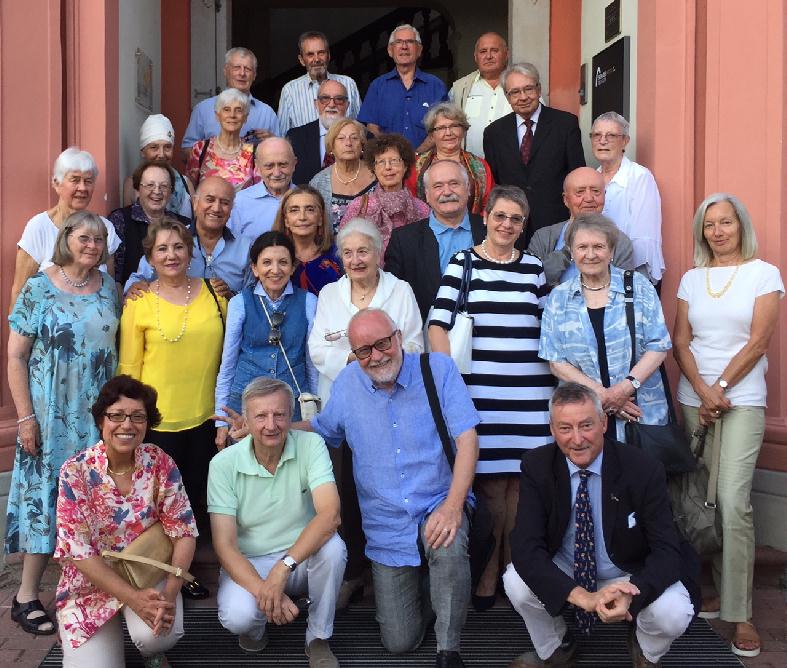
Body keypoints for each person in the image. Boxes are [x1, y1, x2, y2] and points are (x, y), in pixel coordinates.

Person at [297, 308, 479, 668]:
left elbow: (468, 439)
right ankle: (445, 591)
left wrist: (454, 505)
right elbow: (323, 429)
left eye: (382, 343)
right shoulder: (349, 383)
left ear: (398, 337)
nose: (376, 356)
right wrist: (270, 430)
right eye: (364, 350)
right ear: (355, 354)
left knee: (448, 544)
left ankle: (449, 650)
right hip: (386, 525)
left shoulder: (438, 370)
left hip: (438, 502)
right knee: (399, 642)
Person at [502, 382, 695, 668]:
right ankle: (556, 648)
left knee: (674, 612)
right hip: (568, 567)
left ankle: (646, 650)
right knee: (515, 581)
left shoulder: (643, 467)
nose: (577, 439)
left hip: (628, 573)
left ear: (604, 423)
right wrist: (584, 598)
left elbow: (667, 549)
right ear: (552, 430)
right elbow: (525, 547)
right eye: (565, 428)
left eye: (586, 425)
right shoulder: (537, 466)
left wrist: (633, 593)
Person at [429, 185, 553, 610]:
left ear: (523, 225)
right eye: (500, 216)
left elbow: (546, 330)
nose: (506, 225)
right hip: (479, 393)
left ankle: (515, 572)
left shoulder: (534, 268)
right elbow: (437, 327)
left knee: (524, 485)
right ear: (486, 217)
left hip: (531, 393)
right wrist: (450, 387)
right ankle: (487, 572)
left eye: (516, 219)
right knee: (493, 488)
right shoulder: (462, 263)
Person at [673, 193, 783, 658]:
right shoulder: (692, 279)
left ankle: (741, 612)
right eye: (709, 224)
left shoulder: (764, 273)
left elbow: (759, 341)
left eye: (726, 223)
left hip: (741, 400)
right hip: (695, 399)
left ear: (741, 227)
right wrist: (701, 389)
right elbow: (681, 340)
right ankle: (718, 590)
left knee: (735, 500)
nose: (718, 231)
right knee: (704, 499)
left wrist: (719, 387)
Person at [6, 211, 119, 636]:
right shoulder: (39, 286)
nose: (92, 245)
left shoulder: (111, 287)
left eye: (99, 239)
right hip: (48, 415)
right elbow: (16, 355)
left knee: (92, 500)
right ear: (66, 238)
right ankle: (25, 596)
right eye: (83, 237)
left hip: (96, 416)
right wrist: (25, 417)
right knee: (44, 498)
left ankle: (88, 587)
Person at [307, 219, 423, 609]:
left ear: (378, 254)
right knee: (346, 493)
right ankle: (355, 573)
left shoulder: (400, 291)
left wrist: (356, 353)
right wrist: (371, 360)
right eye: (349, 252)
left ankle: (397, 574)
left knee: (390, 488)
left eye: (364, 251)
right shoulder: (329, 295)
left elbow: (414, 345)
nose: (356, 259)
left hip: (396, 408)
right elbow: (318, 351)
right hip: (345, 411)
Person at [55, 375, 197, 668]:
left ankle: (153, 652)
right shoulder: (75, 471)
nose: (127, 424)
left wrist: (169, 595)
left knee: (155, 636)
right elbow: (78, 551)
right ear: (101, 422)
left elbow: (183, 531)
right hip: (91, 583)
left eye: (137, 416)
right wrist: (133, 599)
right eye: (116, 416)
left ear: (147, 423)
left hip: (147, 572)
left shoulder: (160, 462)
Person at [209, 377, 345, 666]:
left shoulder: (311, 445)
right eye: (260, 416)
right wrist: (265, 590)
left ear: (291, 415)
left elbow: (330, 514)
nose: (271, 425)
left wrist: (281, 570)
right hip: (251, 560)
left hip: (299, 556)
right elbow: (224, 546)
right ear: (246, 419)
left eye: (279, 414)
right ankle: (261, 622)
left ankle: (318, 637)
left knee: (333, 548)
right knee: (237, 618)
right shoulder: (223, 464)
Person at [118, 219, 227, 556]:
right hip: (158, 422)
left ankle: (191, 570)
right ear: (149, 258)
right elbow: (129, 369)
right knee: (160, 504)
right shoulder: (138, 302)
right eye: (162, 248)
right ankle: (164, 573)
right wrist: (130, 419)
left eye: (178, 247)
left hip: (207, 418)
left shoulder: (215, 294)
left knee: (198, 500)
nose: (171, 255)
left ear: (190, 252)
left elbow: (230, 356)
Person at [539, 213, 671, 443]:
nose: (590, 254)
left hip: (638, 414)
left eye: (599, 246)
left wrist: (623, 390)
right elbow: (556, 361)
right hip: (584, 420)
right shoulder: (559, 297)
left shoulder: (638, 286)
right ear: (571, 252)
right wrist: (602, 396)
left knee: (639, 476)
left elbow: (658, 345)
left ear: (611, 251)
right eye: (582, 247)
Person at [387, 159, 524, 321]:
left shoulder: (495, 230)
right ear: (427, 195)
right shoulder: (403, 240)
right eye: (438, 186)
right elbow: (395, 300)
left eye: (454, 183)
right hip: (427, 335)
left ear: (468, 189)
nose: (447, 192)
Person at [214, 230, 318, 438]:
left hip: (292, 404)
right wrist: (220, 421)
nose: (275, 270)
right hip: (245, 406)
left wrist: (315, 407)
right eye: (267, 262)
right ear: (255, 268)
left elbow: (312, 363)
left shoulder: (308, 301)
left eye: (283, 262)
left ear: (293, 267)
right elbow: (228, 364)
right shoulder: (239, 303)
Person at [484, 63, 585, 240]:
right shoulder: (494, 133)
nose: (523, 97)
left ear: (538, 90)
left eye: (528, 89)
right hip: (511, 227)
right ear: (507, 97)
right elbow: (496, 184)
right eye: (515, 92)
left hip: (556, 224)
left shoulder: (565, 124)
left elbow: (577, 176)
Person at [10, 147, 121, 309]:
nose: (82, 188)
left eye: (88, 181)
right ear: (57, 183)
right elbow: (20, 291)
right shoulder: (39, 227)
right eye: (75, 180)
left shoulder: (105, 228)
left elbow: (110, 291)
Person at [126, 176, 250, 299]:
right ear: (195, 203)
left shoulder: (245, 248)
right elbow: (139, 279)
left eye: (224, 203)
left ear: (231, 209)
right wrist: (134, 287)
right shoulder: (172, 238)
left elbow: (254, 296)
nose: (216, 208)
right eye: (209, 200)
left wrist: (232, 296)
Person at [527, 167, 638, 288]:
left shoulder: (620, 242)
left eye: (596, 191)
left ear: (604, 196)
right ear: (566, 199)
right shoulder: (543, 238)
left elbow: (623, 289)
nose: (589, 198)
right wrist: (568, 250)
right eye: (580, 192)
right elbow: (532, 282)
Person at [592, 112, 665, 285]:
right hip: (595, 273)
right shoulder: (591, 178)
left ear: (625, 141)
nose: (602, 141)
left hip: (632, 276)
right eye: (597, 135)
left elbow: (643, 238)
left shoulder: (639, 177)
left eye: (611, 135)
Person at [357, 24, 448, 152]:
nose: (404, 47)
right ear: (390, 50)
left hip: (428, 163)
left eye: (410, 42)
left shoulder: (436, 85)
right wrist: (392, 156)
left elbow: (443, 126)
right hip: (388, 164)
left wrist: (417, 155)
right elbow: (372, 128)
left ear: (419, 50)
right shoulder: (377, 86)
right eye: (398, 42)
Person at [340, 133, 429, 259]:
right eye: (381, 162)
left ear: (405, 166)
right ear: (374, 169)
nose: (388, 167)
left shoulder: (421, 209)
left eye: (394, 161)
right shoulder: (360, 205)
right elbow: (343, 243)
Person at [181, 47, 278, 157]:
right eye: (236, 68)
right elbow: (185, 153)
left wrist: (273, 142)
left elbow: (282, 156)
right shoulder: (203, 109)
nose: (242, 73)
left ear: (254, 75)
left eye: (247, 69)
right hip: (213, 173)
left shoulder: (267, 113)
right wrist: (216, 157)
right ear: (226, 71)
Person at [110, 160, 191, 286]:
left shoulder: (184, 225)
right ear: (138, 188)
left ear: (171, 191)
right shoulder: (120, 220)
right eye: (150, 185)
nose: (157, 191)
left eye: (163, 186)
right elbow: (115, 277)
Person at [405, 102, 495, 214]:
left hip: (472, 228)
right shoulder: (417, 166)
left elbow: (489, 204)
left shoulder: (480, 166)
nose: (448, 133)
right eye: (441, 128)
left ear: (463, 131)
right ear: (432, 135)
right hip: (426, 228)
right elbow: (410, 202)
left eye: (454, 126)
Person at [277, 30, 361, 136]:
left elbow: (359, 128)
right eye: (310, 54)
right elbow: (283, 135)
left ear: (328, 56)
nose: (316, 59)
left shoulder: (348, 84)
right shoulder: (289, 90)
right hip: (305, 152)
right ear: (302, 60)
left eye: (321, 53)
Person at [449, 32, 512, 157]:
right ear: (476, 57)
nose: (488, 56)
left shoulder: (523, 85)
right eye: (483, 51)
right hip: (471, 168)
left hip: (511, 168)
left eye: (494, 50)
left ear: (506, 54)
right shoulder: (460, 88)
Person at [272, 185, 342, 295]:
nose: (302, 217)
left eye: (310, 210)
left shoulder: (338, 255)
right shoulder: (271, 257)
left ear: (320, 219)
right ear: (286, 220)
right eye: (294, 210)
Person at [122, 114, 195, 219]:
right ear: (143, 151)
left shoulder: (186, 184)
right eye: (154, 147)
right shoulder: (132, 184)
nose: (161, 154)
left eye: (167, 147)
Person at [309, 118, 376, 232]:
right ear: (331, 147)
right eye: (341, 138)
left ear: (362, 145)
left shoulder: (377, 173)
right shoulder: (318, 182)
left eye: (354, 138)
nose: (348, 143)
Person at [186, 88, 257, 191]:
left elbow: (259, 192)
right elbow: (190, 188)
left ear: (245, 117)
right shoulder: (200, 149)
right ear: (217, 116)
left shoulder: (254, 152)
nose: (232, 115)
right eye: (226, 109)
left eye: (238, 110)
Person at [227, 137, 298, 241]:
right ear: (257, 167)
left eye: (283, 165)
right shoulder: (240, 201)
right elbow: (231, 246)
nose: (277, 173)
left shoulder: (306, 199)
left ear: (294, 164)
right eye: (269, 166)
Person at [288, 79, 351, 186]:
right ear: (316, 104)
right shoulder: (295, 137)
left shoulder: (364, 138)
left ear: (347, 105)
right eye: (325, 98)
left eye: (339, 99)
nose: (331, 104)